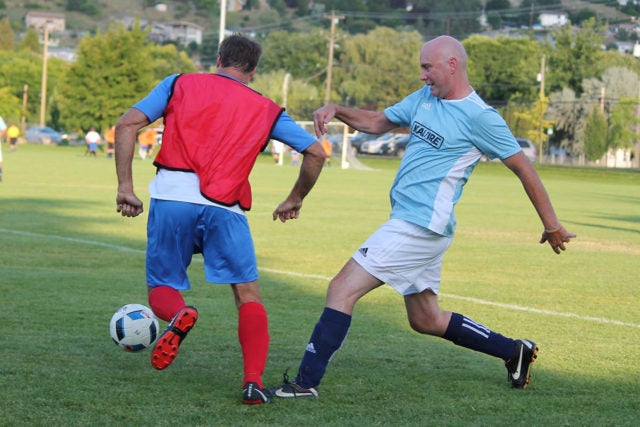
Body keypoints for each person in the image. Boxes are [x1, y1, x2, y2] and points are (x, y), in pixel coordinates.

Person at [272, 35, 576, 399]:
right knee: (426, 320)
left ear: (452, 64)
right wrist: (337, 109)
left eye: (427, 67)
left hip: (419, 226)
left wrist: (552, 224)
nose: (422, 76)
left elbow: (524, 169)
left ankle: (305, 384)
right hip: (417, 224)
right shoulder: (425, 99)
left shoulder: (481, 117)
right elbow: (377, 121)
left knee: (341, 289)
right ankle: (514, 351)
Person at [114, 34, 326, 405]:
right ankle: (252, 383)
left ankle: (180, 314)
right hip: (226, 207)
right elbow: (315, 152)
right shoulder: (267, 108)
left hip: (172, 197)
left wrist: (125, 187)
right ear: (254, 70)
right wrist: (295, 199)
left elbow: (127, 124)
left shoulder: (178, 82)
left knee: (162, 285)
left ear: (218, 59)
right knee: (247, 295)